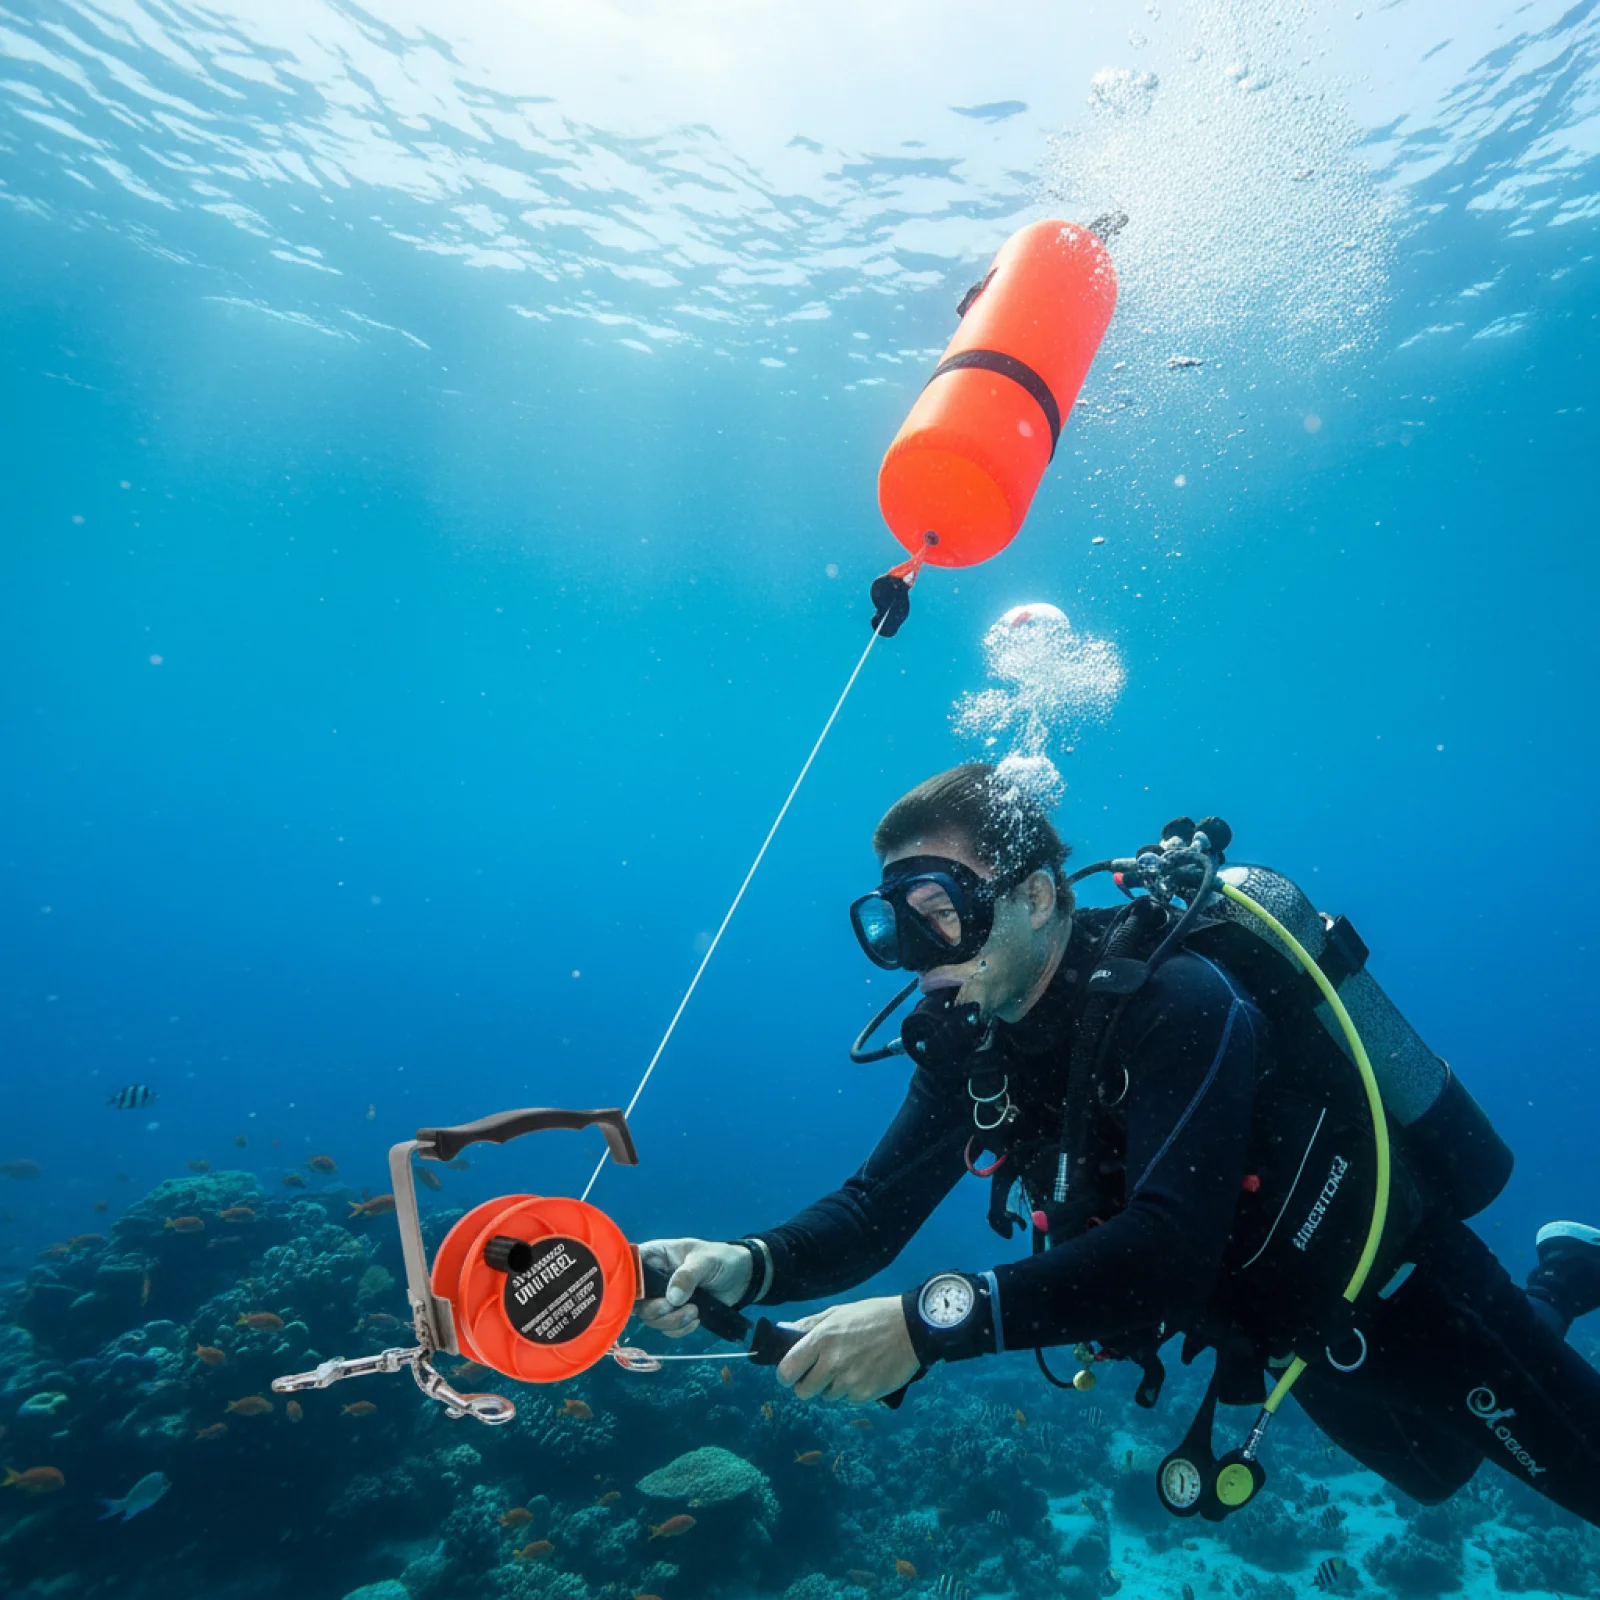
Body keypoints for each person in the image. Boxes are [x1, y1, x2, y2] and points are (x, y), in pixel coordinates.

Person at [640, 764, 1600, 1525]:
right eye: (895, 925)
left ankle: (1546, 1291)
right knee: (1438, 1471)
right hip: (1282, 1330)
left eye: (942, 911)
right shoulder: (975, 1041)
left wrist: (928, 1326)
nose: (921, 952)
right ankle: (1563, 1277)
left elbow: (1168, 1253)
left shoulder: (1174, 1000)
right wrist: (749, 1263)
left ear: (1040, 896)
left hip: (1401, 1284)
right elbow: (870, 1209)